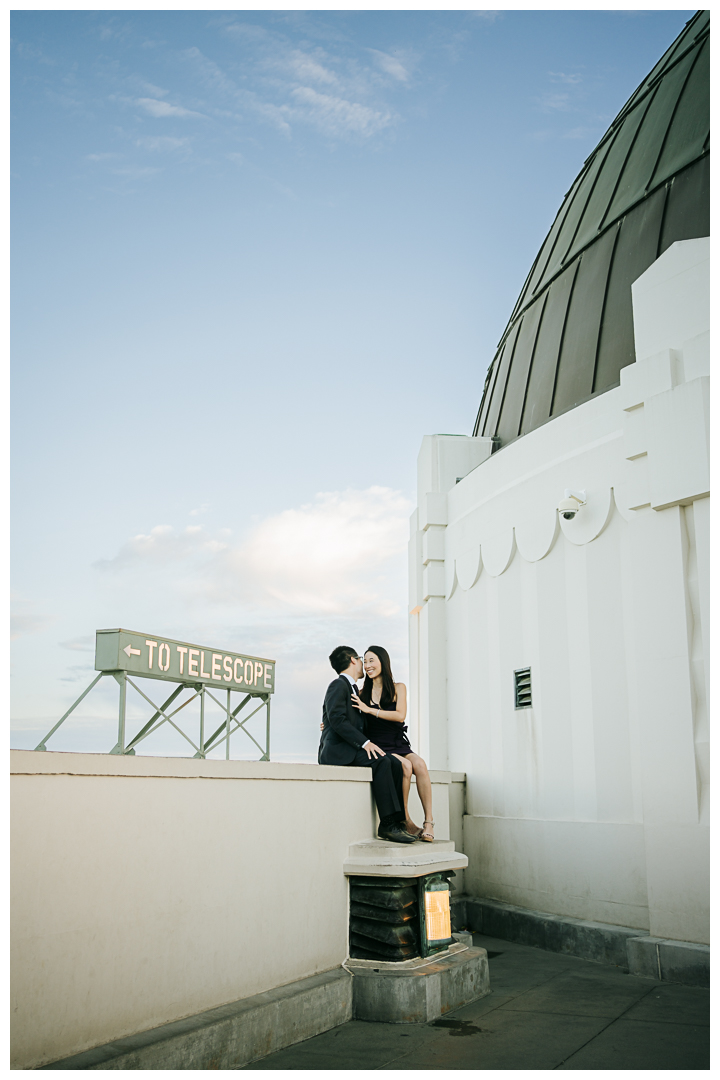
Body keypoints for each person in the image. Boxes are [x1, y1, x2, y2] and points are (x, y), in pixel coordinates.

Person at [318, 646, 418, 844]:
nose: (364, 664)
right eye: (361, 659)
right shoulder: (338, 685)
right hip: (339, 752)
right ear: (353, 660)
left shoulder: (354, 689)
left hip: (351, 748)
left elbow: (345, 719)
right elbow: (337, 719)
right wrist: (365, 743)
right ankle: (387, 825)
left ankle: (398, 823)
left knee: (395, 764)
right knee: (382, 762)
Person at [351, 646, 435, 842]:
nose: (367, 665)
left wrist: (370, 710)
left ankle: (429, 822)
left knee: (420, 764)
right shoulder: (362, 693)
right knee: (405, 767)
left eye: (371, 660)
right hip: (379, 745)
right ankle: (404, 818)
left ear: (383, 661)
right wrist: (326, 724)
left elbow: (400, 716)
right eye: (365, 661)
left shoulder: (399, 687)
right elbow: (347, 717)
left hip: (397, 741)